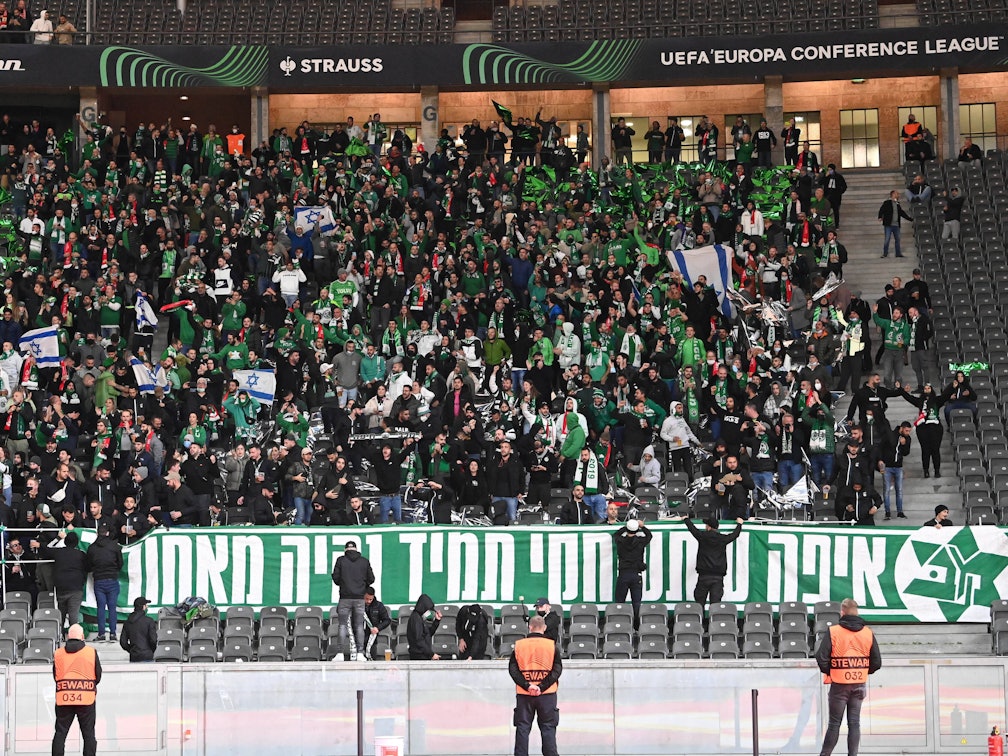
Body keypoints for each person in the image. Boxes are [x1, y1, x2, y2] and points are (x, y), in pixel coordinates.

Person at [815, 598, 882, 756]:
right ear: (857, 612)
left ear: (842, 613)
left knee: (834, 724)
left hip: (839, 684)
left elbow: (821, 657)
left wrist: (832, 671)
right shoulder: (867, 633)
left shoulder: (834, 631)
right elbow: (877, 662)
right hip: (859, 683)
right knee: (854, 723)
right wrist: (864, 670)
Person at [509, 614, 562, 756]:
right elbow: (557, 670)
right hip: (547, 695)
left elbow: (513, 670)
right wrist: (541, 687)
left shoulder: (519, 645)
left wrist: (527, 685)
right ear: (544, 628)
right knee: (548, 728)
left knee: (522, 728)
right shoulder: (552, 646)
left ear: (529, 627)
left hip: (524, 695)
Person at [52, 624, 101, 756]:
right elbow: (98, 675)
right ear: (83, 637)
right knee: (88, 734)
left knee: (60, 733)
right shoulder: (91, 652)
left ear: (68, 636)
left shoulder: (58, 653)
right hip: (86, 699)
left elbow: (56, 676)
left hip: (64, 698)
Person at [679, 516, 744, 606]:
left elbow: (692, 529)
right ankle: (714, 620)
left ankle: (699, 619)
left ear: (708, 527)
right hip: (718, 577)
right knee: (715, 605)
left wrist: (686, 519)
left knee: (699, 603)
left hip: (703, 576)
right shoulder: (722, 538)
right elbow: (734, 535)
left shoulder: (702, 536)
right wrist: (739, 524)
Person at [330, 539, 375, 661]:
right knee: (359, 625)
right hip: (360, 598)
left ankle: (340, 653)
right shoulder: (364, 561)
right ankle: (360, 653)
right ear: (356, 549)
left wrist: (344, 584)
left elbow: (335, 578)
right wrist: (362, 585)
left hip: (345, 597)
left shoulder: (341, 560)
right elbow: (371, 579)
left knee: (342, 625)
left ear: (345, 550)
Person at [85, 526, 123, 641]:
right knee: (112, 608)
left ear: (97, 533)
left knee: (100, 608)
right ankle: (113, 634)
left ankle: (101, 634)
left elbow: (88, 566)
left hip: (99, 581)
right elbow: (120, 564)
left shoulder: (92, 548)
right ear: (107, 533)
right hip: (112, 579)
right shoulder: (115, 546)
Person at [613, 519, 651, 625]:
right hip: (636, 574)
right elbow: (649, 536)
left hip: (623, 574)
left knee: (620, 601)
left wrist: (627, 526)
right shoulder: (640, 541)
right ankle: (636, 626)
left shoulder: (620, 541)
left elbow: (616, 534)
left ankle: (619, 623)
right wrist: (642, 526)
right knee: (636, 602)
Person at [119, 596, 158, 662]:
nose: (147, 607)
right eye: (146, 605)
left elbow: (123, 642)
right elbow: (153, 640)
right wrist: (151, 651)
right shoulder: (149, 621)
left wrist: (131, 650)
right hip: (147, 655)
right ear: (143, 607)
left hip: (134, 656)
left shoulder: (128, 622)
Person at [877, 190, 912, 259]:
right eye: (897, 194)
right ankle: (885, 253)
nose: (898, 195)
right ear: (893, 194)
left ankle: (898, 253)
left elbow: (901, 213)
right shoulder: (887, 203)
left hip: (896, 225)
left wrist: (909, 219)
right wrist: (880, 216)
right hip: (888, 224)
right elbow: (881, 210)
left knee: (897, 239)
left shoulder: (897, 204)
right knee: (887, 239)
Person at [407, 593, 442, 660]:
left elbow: (427, 634)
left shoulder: (420, 618)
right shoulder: (416, 619)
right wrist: (431, 654)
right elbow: (419, 640)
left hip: (423, 655)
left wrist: (436, 621)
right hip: (419, 656)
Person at [363, 586, 392, 659]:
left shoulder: (379, 605)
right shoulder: (358, 605)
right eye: (366, 599)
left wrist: (378, 628)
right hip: (359, 636)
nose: (369, 601)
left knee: (372, 659)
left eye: (371, 599)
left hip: (372, 637)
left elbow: (387, 620)